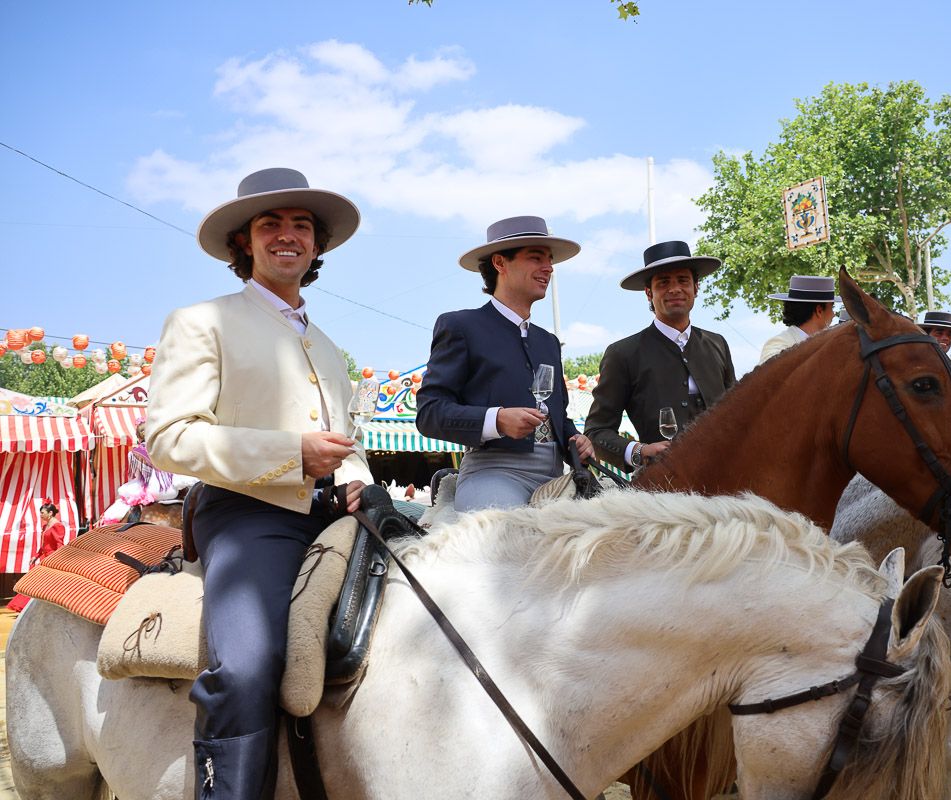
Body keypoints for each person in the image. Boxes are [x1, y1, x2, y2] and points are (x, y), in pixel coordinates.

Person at [145, 167, 373, 799]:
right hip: (247, 516)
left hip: (333, 516)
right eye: (269, 223)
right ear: (243, 242)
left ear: (317, 246)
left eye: (301, 225)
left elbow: (343, 441)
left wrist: (358, 480)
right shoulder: (201, 321)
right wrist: (290, 454)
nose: (287, 235)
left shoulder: (327, 346)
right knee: (246, 668)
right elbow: (168, 437)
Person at [415, 216, 594, 512]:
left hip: (557, 476)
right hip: (493, 473)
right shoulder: (461, 325)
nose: (548, 268)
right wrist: (496, 420)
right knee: (507, 537)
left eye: (549, 260)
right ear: (500, 263)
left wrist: (576, 438)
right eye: (536, 258)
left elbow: (557, 417)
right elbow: (429, 413)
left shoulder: (548, 342)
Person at [585, 241, 736, 470]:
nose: (674, 289)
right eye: (663, 282)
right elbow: (596, 432)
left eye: (683, 280)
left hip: (728, 474)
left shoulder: (717, 344)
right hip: (663, 488)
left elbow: (736, 413)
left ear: (696, 287)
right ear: (649, 293)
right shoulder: (623, 354)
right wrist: (639, 451)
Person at [758, 275, 838, 364]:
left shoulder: (826, 346)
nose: (833, 314)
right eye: (832, 307)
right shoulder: (778, 344)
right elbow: (770, 374)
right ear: (819, 310)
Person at [7, 501, 68, 613]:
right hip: (45, 559)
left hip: (52, 560)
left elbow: (60, 545)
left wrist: (59, 560)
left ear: (50, 513)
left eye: (42, 513)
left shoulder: (58, 526)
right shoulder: (46, 526)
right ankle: (27, 607)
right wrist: (36, 556)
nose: (40, 515)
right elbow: (44, 545)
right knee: (36, 582)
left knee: (40, 583)